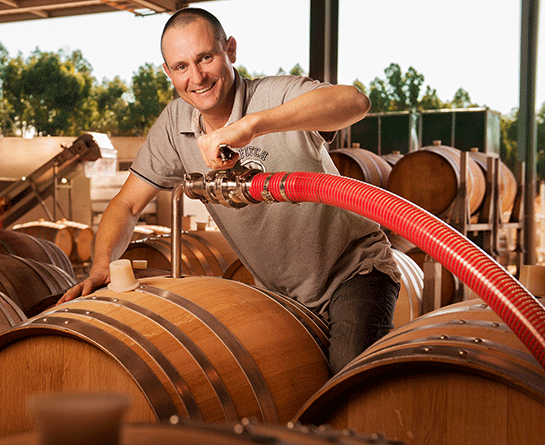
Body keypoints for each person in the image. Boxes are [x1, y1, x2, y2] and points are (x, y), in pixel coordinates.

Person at [59, 7, 400, 374]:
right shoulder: (175, 126)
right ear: (167, 72)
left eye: (205, 58)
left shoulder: (272, 96)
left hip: (352, 274)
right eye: (181, 66)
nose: (196, 77)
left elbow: (355, 102)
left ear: (230, 51)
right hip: (279, 293)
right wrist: (100, 265)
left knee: (344, 382)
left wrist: (251, 127)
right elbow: (126, 205)